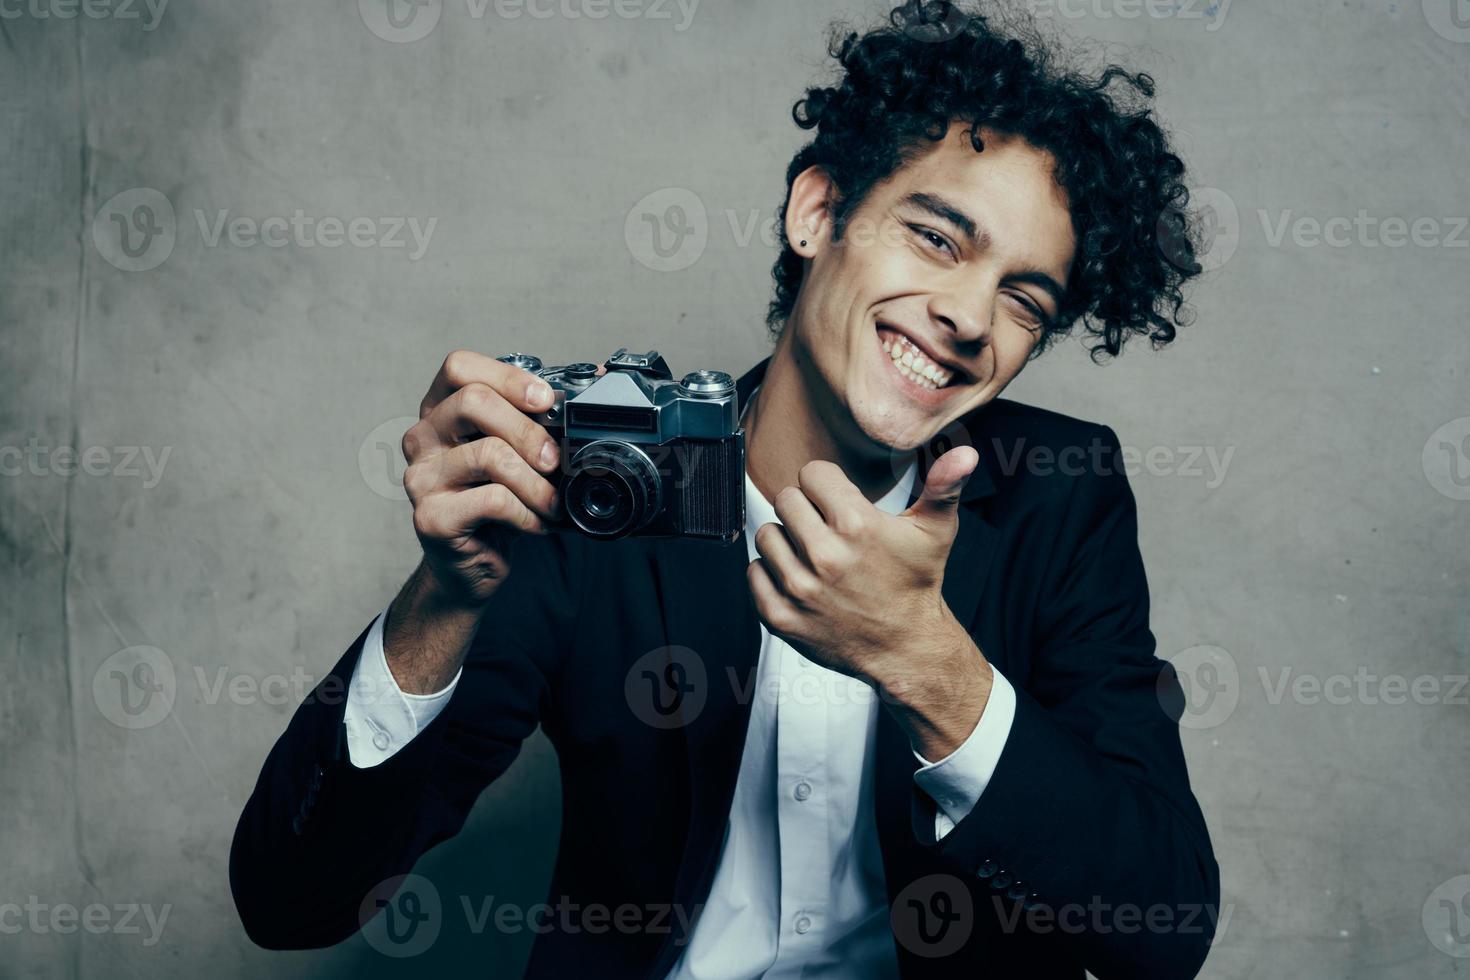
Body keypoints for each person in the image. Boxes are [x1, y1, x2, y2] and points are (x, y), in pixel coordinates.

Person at [230, 2, 1220, 976]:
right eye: (935, 238)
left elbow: (1162, 926)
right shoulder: (607, 485)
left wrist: (927, 661)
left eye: (1023, 298)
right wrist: (441, 600)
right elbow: (291, 897)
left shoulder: (1059, 496)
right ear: (817, 211)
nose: (968, 315)